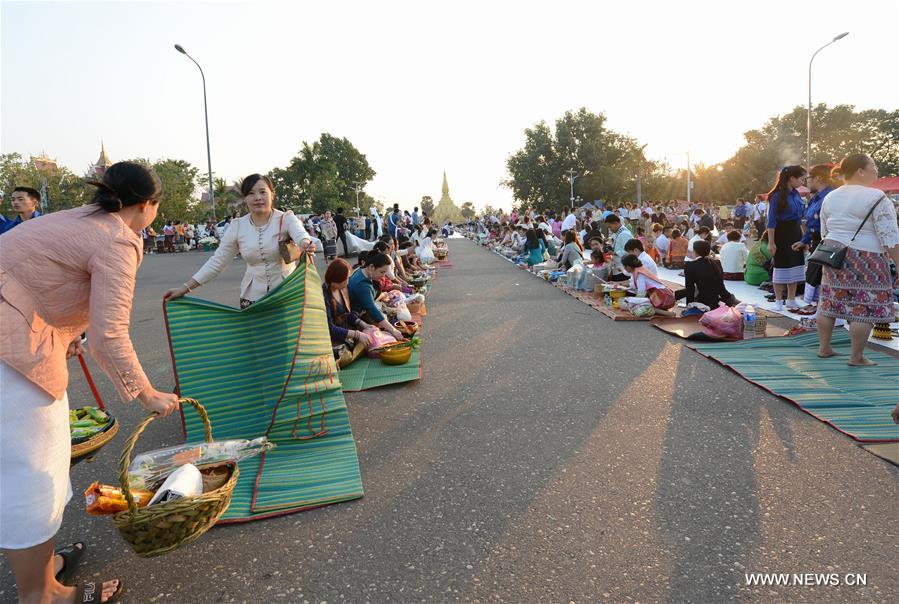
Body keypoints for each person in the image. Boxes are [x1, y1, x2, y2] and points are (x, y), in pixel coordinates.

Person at [1, 161, 180, 604]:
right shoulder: (118, 238)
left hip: (16, 334)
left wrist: (62, 334)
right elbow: (110, 334)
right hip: (10, 353)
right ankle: (42, 594)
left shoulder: (78, 217)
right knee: (32, 476)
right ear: (147, 205)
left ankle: (42, 571)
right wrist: (148, 394)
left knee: (20, 470)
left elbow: (38, 279)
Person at [164, 174, 312, 309]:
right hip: (252, 298)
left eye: (263, 192)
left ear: (272, 194)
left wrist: (305, 243)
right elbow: (217, 262)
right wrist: (185, 288)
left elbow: (302, 236)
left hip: (286, 294)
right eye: (251, 193)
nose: (258, 197)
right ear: (245, 198)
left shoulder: (287, 219)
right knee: (254, 332)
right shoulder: (237, 226)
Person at [816, 154, 899, 366]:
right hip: (868, 256)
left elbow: (825, 230)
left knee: (828, 302)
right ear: (860, 171)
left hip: (834, 254)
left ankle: (824, 347)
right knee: (863, 308)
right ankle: (856, 357)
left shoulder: (831, 197)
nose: (876, 169)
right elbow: (890, 236)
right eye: (873, 165)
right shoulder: (877, 197)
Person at [794, 163, 839, 306]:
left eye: (809, 178)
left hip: (828, 240)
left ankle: (818, 304)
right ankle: (814, 303)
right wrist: (804, 240)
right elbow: (811, 223)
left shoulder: (831, 196)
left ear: (818, 178)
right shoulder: (816, 197)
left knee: (821, 273)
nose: (807, 182)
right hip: (816, 239)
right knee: (814, 272)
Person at [766, 165, 808, 310]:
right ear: (791, 178)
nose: (803, 181)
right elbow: (771, 221)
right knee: (781, 266)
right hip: (781, 233)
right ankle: (778, 301)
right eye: (801, 178)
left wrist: (804, 239)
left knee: (795, 265)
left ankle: (791, 299)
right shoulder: (776, 196)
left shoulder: (796, 194)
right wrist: (771, 242)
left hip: (795, 232)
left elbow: (799, 219)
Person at [322, 258, 373, 364]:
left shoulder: (341, 289)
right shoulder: (324, 295)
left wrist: (363, 324)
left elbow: (347, 314)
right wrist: (357, 334)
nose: (347, 282)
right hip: (334, 339)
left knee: (370, 335)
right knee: (344, 355)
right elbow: (330, 329)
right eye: (345, 279)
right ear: (336, 278)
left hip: (346, 333)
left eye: (347, 278)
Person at [347, 253, 405, 340]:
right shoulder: (361, 284)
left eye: (385, 272)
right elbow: (372, 309)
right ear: (371, 267)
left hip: (361, 315)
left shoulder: (363, 272)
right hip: (356, 318)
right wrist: (393, 330)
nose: (383, 276)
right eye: (382, 272)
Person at [684, 240, 737, 308]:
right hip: (719, 299)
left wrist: (689, 305)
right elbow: (720, 285)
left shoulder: (690, 265)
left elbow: (690, 288)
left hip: (703, 301)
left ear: (695, 252)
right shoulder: (717, 262)